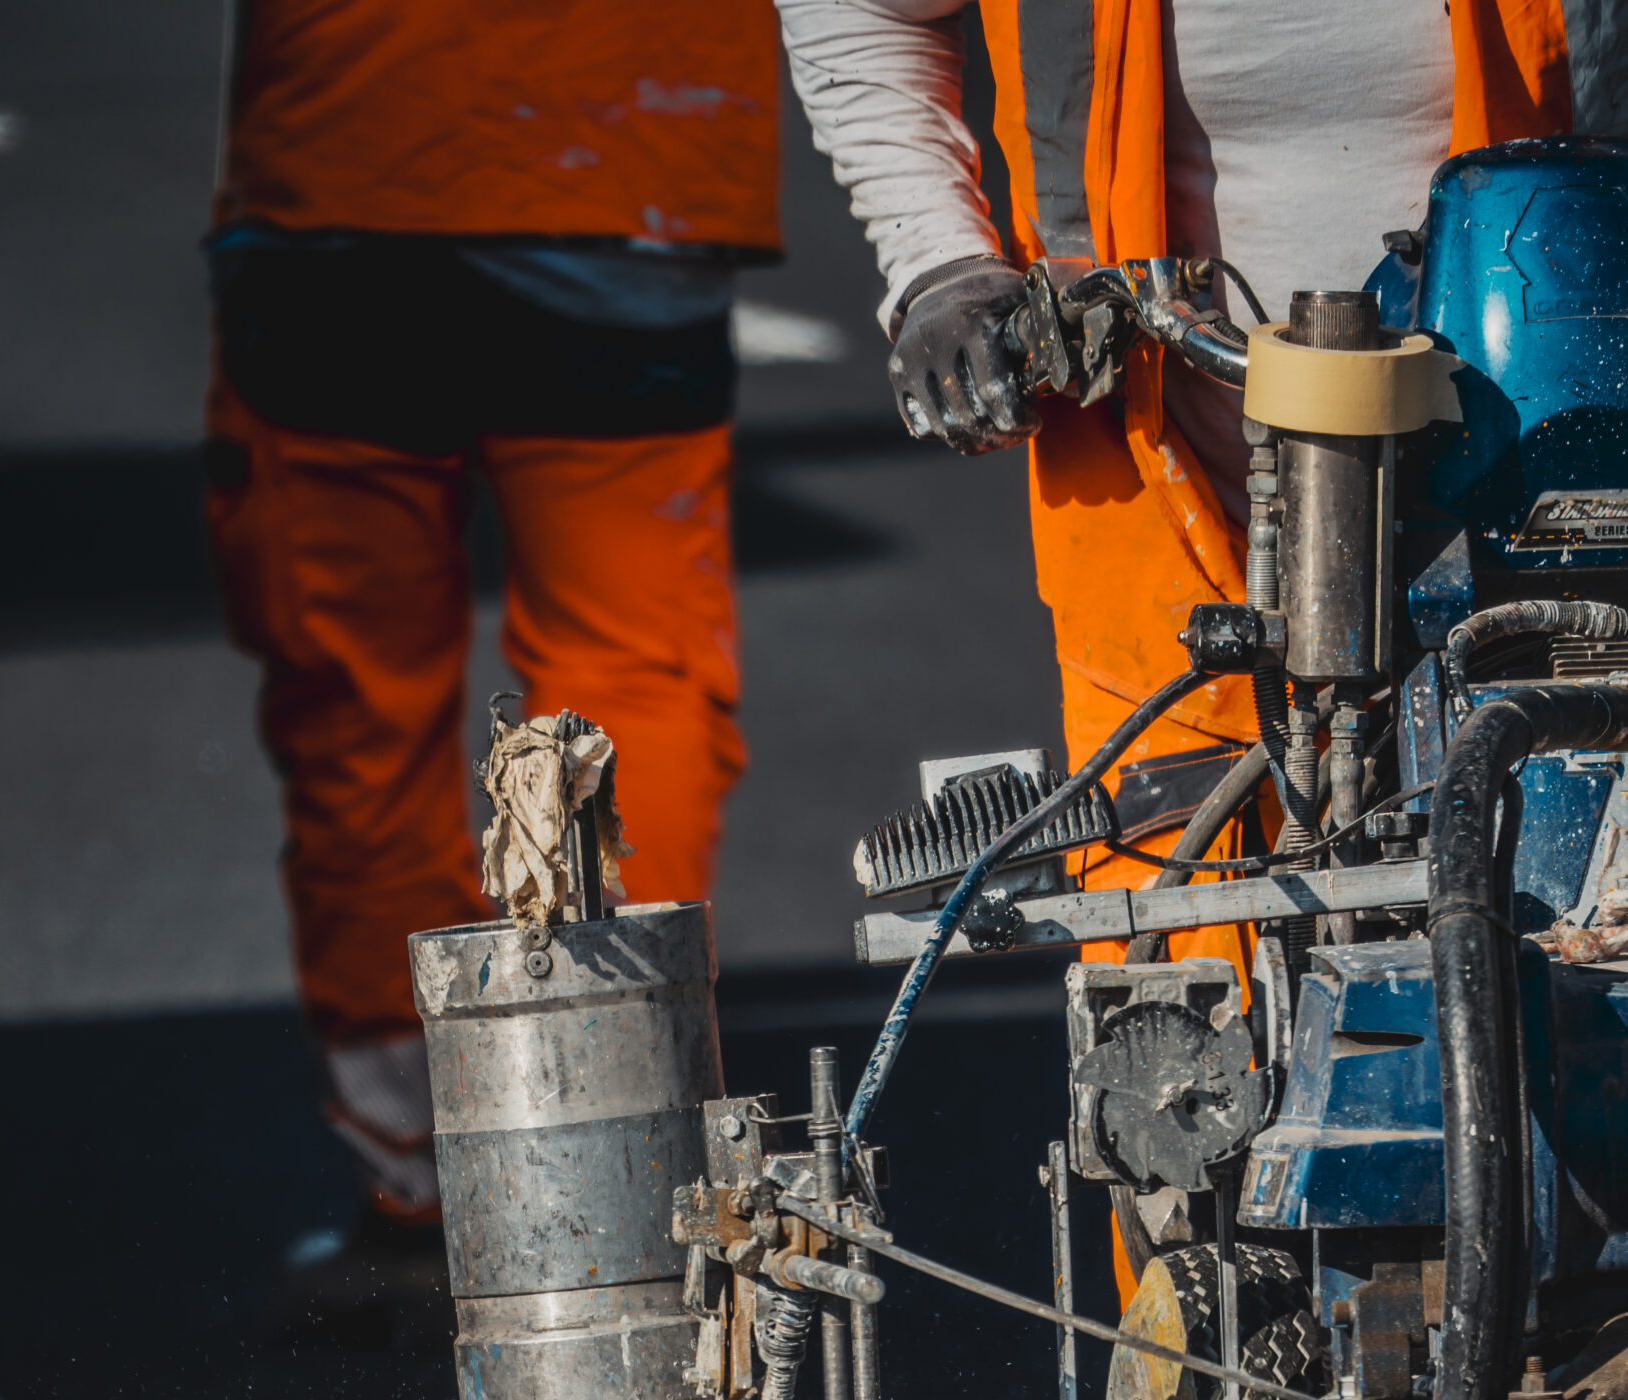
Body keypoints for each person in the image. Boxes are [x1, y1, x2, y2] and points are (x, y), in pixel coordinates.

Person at [775, 0, 1621, 1302]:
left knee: (1585, 940)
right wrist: (938, 262)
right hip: (1152, 454)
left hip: (1556, 437)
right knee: (1183, 1058)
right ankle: (1224, 1379)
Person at [204, 2, 782, 1328]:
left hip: (346, 163)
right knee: (632, 681)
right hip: (637, 156)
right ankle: (624, 1165)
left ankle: (424, 1180)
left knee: (359, 704)